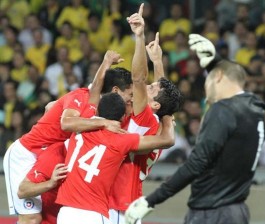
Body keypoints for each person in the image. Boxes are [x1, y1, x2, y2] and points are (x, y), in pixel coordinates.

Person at [125, 34, 265, 224]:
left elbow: (197, 163)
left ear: (218, 78)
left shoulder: (223, 110)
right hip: (237, 210)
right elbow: (165, 98)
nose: (206, 89)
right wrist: (214, 63)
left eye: (208, 78)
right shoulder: (256, 110)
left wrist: (152, 200)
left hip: (211, 212)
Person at [3, 50, 126, 224]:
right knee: (31, 217)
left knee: (45, 214)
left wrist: (106, 62)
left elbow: (51, 106)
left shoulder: (93, 105)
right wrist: (103, 123)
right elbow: (66, 123)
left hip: (47, 154)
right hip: (25, 154)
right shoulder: (81, 96)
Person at [109, 5, 183, 224]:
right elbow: (162, 91)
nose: (147, 87)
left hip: (119, 205)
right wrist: (158, 61)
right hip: (129, 201)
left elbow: (139, 79)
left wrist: (139, 37)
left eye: (152, 90)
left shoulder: (145, 119)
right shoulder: (161, 121)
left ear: (156, 106)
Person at [56, 92, 176, 224]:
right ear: (123, 117)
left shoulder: (78, 127)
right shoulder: (121, 140)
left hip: (65, 212)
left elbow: (63, 118)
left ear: (96, 110)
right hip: (93, 213)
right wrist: (167, 114)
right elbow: (167, 140)